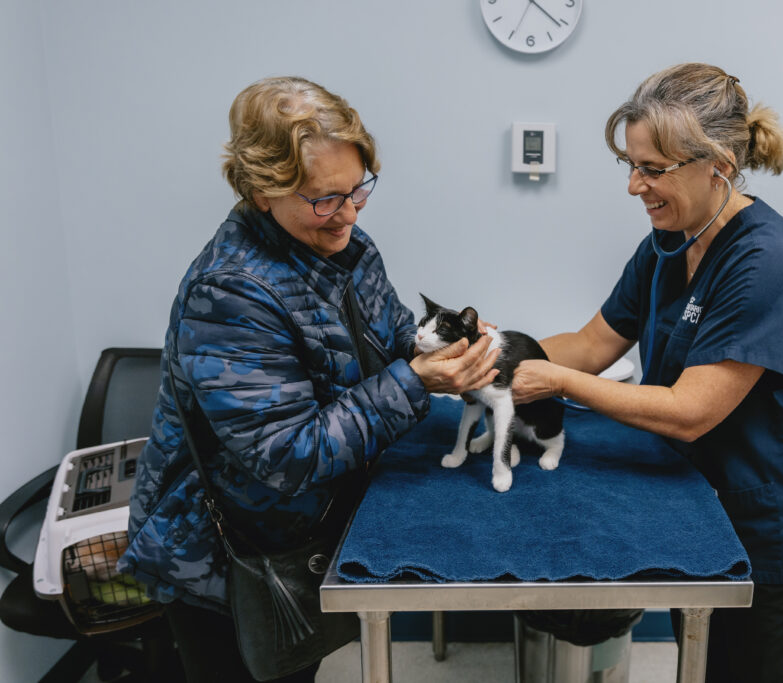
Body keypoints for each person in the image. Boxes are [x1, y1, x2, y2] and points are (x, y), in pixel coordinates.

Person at [117, 76, 498, 683]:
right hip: (228, 562)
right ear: (262, 190)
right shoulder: (232, 292)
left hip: (304, 534)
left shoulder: (343, 242)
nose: (347, 213)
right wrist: (414, 381)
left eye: (357, 190)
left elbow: (388, 331)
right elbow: (285, 455)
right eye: (325, 198)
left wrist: (445, 350)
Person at [511, 63, 783, 683]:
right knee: (708, 660)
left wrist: (554, 382)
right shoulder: (668, 242)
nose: (635, 186)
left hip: (774, 519)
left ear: (717, 162)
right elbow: (591, 344)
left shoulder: (768, 262)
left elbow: (692, 412)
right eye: (631, 166)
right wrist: (497, 353)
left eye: (653, 170)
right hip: (701, 502)